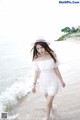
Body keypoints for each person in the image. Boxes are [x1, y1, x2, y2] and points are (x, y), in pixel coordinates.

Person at [31, 39, 65, 120]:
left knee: (48, 102)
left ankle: (47, 117)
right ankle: (52, 109)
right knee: (48, 101)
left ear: (46, 47)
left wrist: (61, 80)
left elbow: (56, 68)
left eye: (41, 47)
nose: (40, 50)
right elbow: (36, 72)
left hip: (53, 81)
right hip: (43, 82)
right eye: (38, 48)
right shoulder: (36, 58)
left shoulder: (52, 54)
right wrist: (34, 84)